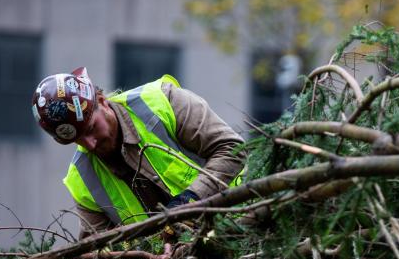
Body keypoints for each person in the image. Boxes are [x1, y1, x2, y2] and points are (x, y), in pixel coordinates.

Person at [32, 67, 245, 238]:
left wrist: (193, 198)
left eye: (91, 129)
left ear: (103, 101)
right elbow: (98, 257)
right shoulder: (82, 180)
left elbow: (232, 149)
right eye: (78, 140)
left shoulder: (163, 102)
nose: (90, 144)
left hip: (244, 224)